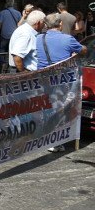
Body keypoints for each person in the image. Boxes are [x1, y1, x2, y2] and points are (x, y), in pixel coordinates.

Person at [37, 13, 87, 152]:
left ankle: (45, 138)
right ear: (60, 24)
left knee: (47, 108)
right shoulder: (67, 39)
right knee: (58, 109)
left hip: (42, 78)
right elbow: (83, 50)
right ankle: (53, 142)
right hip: (60, 79)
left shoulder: (39, 38)